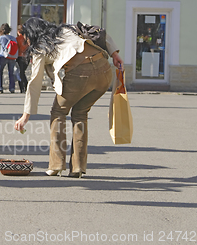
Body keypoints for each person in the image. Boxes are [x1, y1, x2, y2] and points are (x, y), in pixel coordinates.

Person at [14, 17, 124, 178]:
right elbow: (99, 32)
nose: (27, 41)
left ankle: (56, 165)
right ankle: (78, 167)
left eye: (27, 37)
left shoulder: (40, 47)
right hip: (104, 72)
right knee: (80, 114)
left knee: (58, 113)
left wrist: (25, 116)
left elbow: (34, 83)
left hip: (81, 74)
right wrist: (114, 54)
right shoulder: (69, 29)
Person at [0, 23, 17, 94]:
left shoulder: (2, 37)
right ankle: (12, 88)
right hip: (12, 57)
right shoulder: (13, 38)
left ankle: (0, 88)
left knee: (0, 72)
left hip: (3, 56)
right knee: (11, 73)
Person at [15, 24, 29, 93]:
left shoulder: (17, 39)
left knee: (20, 73)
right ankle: (25, 86)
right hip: (27, 57)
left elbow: (16, 49)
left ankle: (23, 87)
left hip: (20, 57)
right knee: (22, 72)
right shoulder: (28, 39)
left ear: (18, 31)